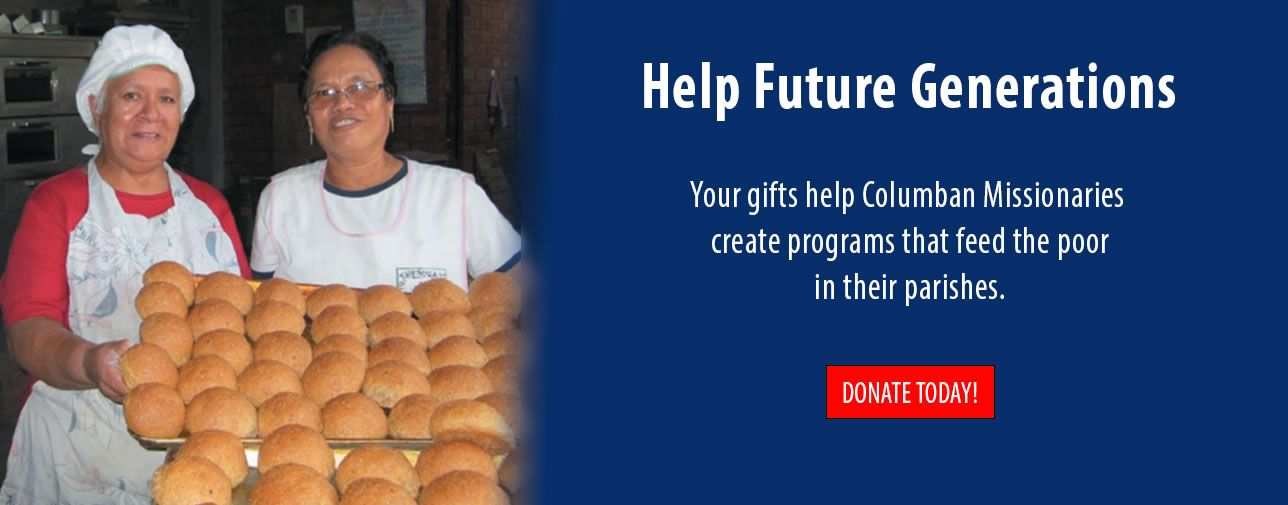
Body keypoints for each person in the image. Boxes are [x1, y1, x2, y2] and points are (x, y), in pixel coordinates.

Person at [0, 25, 249, 504]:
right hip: (76, 454)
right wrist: (89, 362)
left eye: (166, 99)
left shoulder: (209, 207)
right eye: (132, 95)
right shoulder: (57, 203)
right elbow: (27, 330)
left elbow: (241, 320)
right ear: (98, 107)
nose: (150, 113)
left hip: (195, 459)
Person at [251, 31, 520, 291]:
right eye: (324, 92)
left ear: (389, 102)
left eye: (360, 87)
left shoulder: (455, 195)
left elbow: (522, 290)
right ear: (309, 117)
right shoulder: (281, 199)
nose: (343, 103)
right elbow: (263, 304)